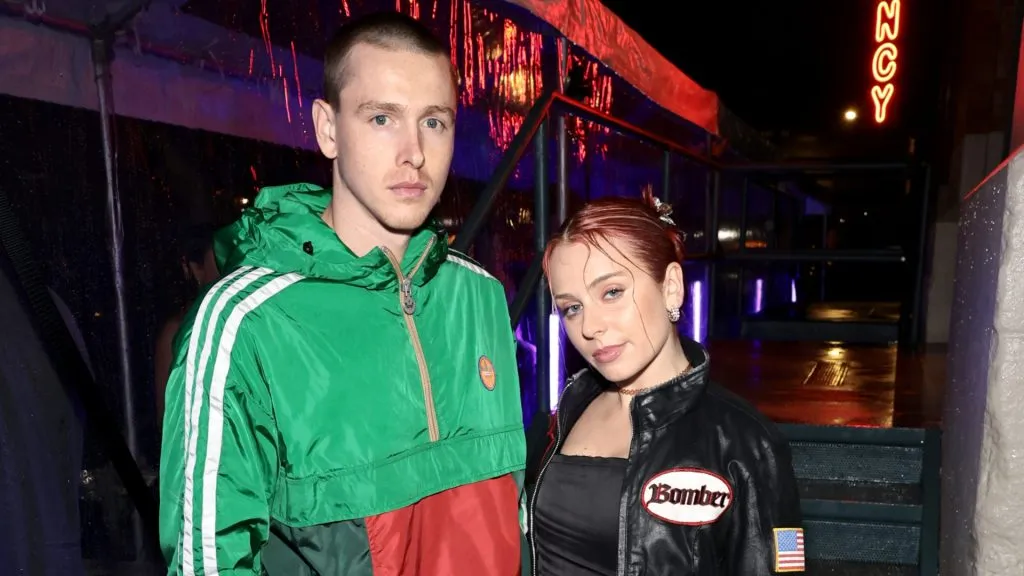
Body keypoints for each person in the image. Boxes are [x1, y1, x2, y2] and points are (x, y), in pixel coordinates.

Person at [158, 11, 526, 575]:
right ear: (328, 129)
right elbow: (208, 561)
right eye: (382, 118)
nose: (415, 154)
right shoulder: (245, 321)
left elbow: (509, 518)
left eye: (435, 122)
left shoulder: (481, 297)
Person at [526, 190, 805, 574]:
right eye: (572, 308)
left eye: (612, 292)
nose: (589, 327)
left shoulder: (747, 442)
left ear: (671, 286)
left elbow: (781, 561)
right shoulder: (564, 415)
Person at [153, 223, 221, 425]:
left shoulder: (231, 318)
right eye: (219, 262)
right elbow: (166, 418)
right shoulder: (175, 331)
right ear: (193, 268)